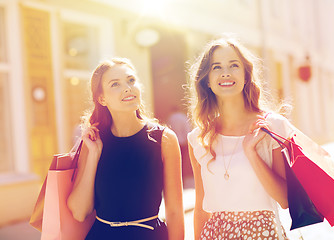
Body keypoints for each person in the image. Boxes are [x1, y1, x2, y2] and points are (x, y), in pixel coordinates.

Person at [187, 37, 293, 240]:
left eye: (233, 65)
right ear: (207, 80)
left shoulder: (272, 126)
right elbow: (201, 209)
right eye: (216, 67)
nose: (225, 72)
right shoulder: (198, 138)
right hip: (215, 234)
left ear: (246, 75)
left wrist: (251, 153)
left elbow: (284, 199)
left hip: (263, 233)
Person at [67, 57, 185, 240]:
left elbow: (176, 212)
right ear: (102, 99)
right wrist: (94, 155)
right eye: (115, 84)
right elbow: (79, 212)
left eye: (131, 80)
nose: (127, 88)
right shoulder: (93, 141)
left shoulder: (165, 139)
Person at [167, 106, 193, 187]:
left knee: (174, 162)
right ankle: (182, 181)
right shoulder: (182, 117)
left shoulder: (170, 118)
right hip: (183, 142)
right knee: (182, 162)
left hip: (173, 142)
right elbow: (187, 129)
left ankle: (176, 182)